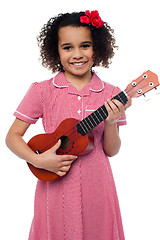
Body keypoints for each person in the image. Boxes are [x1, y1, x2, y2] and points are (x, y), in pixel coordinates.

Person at [6, 10, 131, 240]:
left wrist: (111, 122)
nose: (77, 54)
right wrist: (38, 159)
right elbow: (12, 136)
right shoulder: (41, 91)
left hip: (98, 188)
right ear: (56, 50)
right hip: (55, 187)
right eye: (67, 47)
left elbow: (111, 151)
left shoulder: (111, 93)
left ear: (98, 48)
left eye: (85, 45)